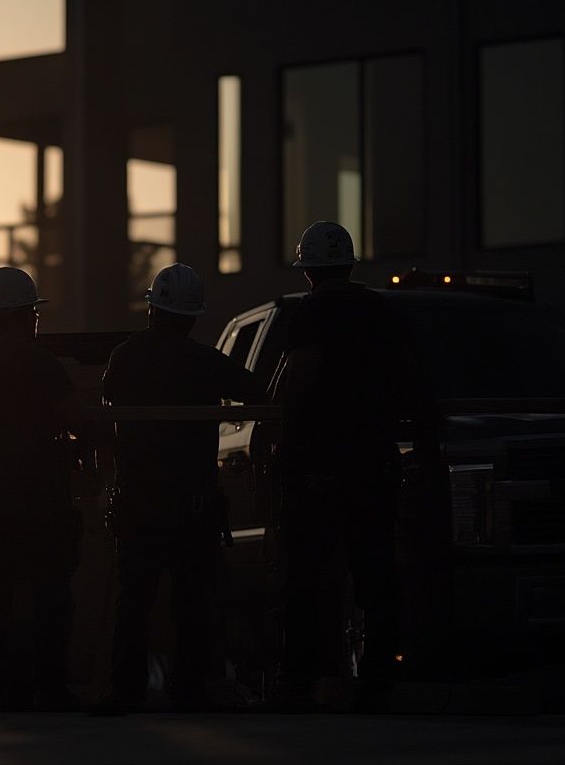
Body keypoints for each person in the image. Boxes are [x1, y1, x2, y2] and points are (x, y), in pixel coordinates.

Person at [97, 264, 264, 713]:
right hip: (192, 505)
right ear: (192, 317)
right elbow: (257, 392)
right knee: (193, 601)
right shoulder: (203, 362)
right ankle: (190, 689)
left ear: (152, 309)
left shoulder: (125, 357)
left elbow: (105, 407)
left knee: (135, 599)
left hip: (140, 501)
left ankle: (126, 691)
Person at [273, 221, 421, 706]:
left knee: (306, 577)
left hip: (321, 463)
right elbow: (408, 375)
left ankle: (300, 679)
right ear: (350, 264)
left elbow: (300, 378)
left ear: (309, 271)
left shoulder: (312, 312)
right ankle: (378, 678)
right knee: (376, 573)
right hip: (373, 461)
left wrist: (284, 438)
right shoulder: (381, 310)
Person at [0, 266, 83, 711]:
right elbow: (77, 421)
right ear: (30, 316)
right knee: (51, 600)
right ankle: (50, 688)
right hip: (42, 506)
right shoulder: (40, 364)